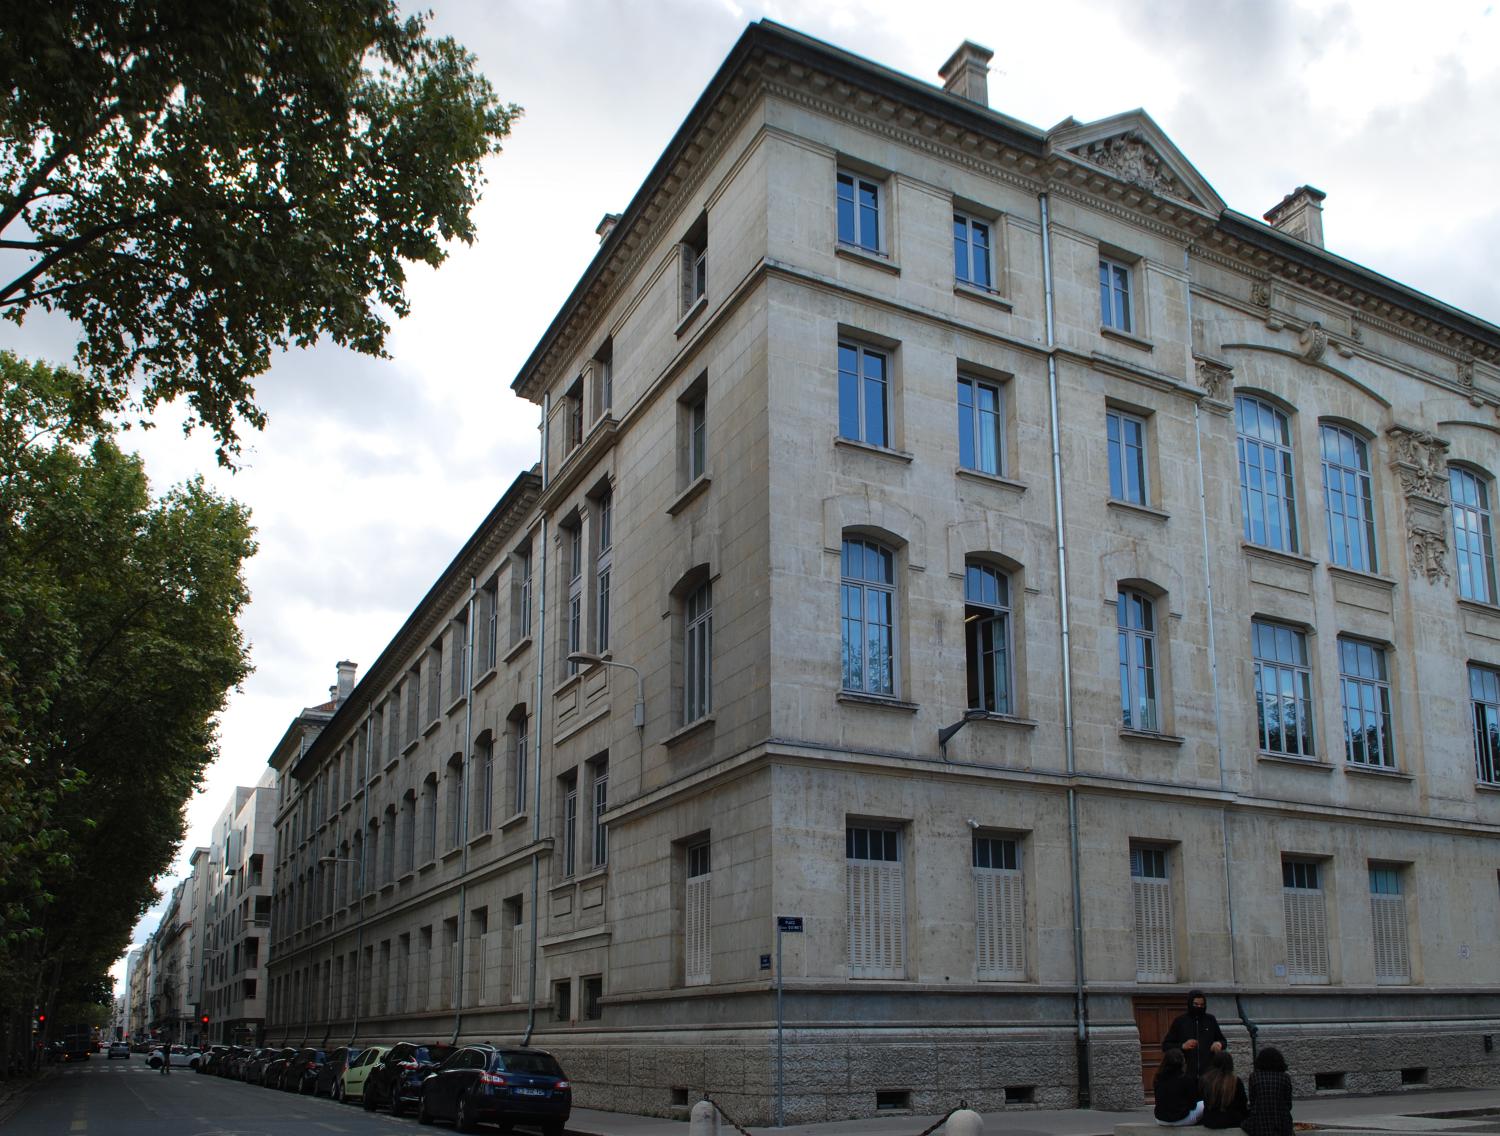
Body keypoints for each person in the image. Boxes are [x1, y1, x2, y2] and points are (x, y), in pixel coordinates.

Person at [1161, 988, 1227, 1079]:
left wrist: (1219, 1044)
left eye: (1202, 1005)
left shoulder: (1210, 1020)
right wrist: (1183, 1046)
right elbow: (1166, 1046)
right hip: (1186, 1075)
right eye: (1196, 1004)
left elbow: (1223, 1041)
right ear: (1190, 1004)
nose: (1199, 1007)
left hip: (1208, 1075)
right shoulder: (1180, 1021)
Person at [1243, 1046, 1294, 1136]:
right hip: (1281, 1122)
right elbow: (1288, 1104)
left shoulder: (1254, 1077)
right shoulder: (1285, 1077)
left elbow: (1253, 1101)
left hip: (1260, 1122)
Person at [1152, 1048, 1204, 1127]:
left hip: (1160, 1120)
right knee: (1204, 1103)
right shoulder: (1186, 1079)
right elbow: (1193, 1105)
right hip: (1181, 1119)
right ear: (1182, 1063)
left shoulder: (1158, 1079)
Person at [1199, 1050, 1248, 1129]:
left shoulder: (1205, 1079)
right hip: (1232, 1120)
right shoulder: (1235, 1081)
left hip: (1210, 1120)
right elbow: (1242, 1103)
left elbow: (1202, 1099)